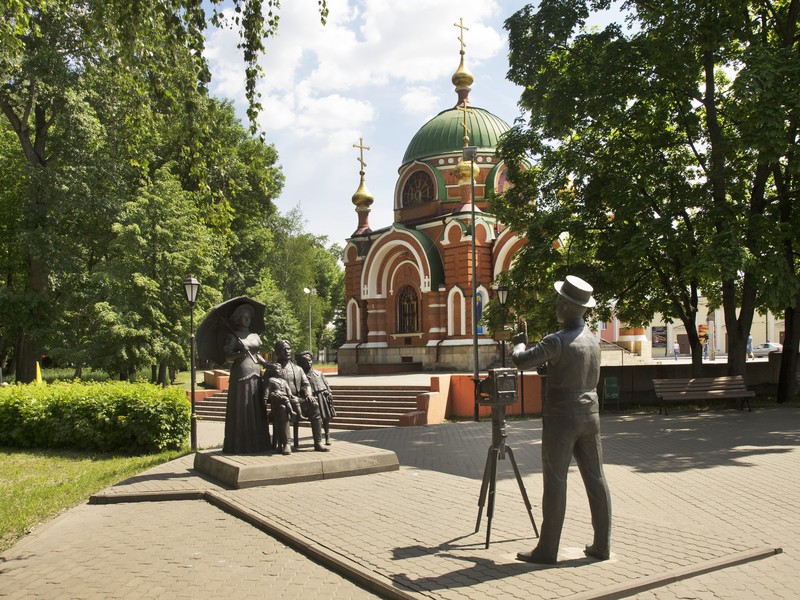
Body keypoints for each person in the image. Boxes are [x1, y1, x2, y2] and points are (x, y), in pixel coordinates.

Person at [511, 275, 611, 564]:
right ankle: (602, 545)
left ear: (567, 306)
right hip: (590, 415)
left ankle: (547, 548)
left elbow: (521, 361)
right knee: (596, 479)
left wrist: (519, 343)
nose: (556, 305)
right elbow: (577, 371)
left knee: (555, 481)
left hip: (561, 418)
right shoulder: (593, 340)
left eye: (558, 301)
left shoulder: (556, 340)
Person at [222, 304, 271, 454]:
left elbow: (257, 355)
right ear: (238, 319)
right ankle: (240, 443)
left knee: (256, 407)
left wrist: (266, 364)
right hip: (241, 374)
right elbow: (227, 357)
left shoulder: (255, 336)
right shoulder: (233, 336)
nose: (247, 319)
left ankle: (259, 442)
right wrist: (240, 353)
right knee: (242, 407)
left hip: (256, 373)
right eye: (244, 317)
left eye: (249, 317)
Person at [272, 339, 329, 452]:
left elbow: (305, 384)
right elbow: (268, 386)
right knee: (283, 408)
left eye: (288, 349)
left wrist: (308, 394)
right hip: (281, 402)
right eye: (284, 349)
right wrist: (276, 394)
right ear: (278, 352)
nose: (287, 351)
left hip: (297, 400)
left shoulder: (298, 369)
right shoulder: (273, 369)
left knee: (314, 405)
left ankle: (318, 442)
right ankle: (286, 443)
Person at [297, 351, 336, 445]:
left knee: (326, 418)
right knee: (316, 419)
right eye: (306, 362)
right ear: (302, 363)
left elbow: (326, 384)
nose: (309, 363)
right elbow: (300, 388)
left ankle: (327, 436)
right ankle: (318, 438)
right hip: (313, 398)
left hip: (323, 396)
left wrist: (329, 392)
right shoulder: (302, 376)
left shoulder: (319, 373)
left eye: (310, 361)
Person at [263, 363, 298, 455]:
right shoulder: (271, 380)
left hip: (285, 399)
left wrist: (290, 394)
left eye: (280, 369)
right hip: (276, 402)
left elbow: (288, 389)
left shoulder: (283, 381)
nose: (279, 371)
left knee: (285, 406)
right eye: (277, 370)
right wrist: (266, 398)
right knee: (282, 408)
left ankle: (286, 443)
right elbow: (267, 390)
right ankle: (286, 443)